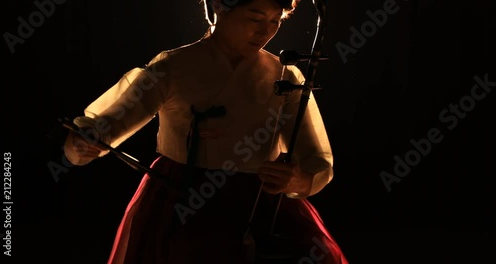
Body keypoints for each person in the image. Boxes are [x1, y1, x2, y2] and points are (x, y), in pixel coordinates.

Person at [63, 0, 349, 263]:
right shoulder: (172, 67)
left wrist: (297, 180)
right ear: (219, 8)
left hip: (258, 201)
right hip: (181, 196)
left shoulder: (286, 75)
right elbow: (103, 127)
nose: (266, 31)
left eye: (276, 21)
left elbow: (316, 159)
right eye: (255, 18)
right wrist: (83, 143)